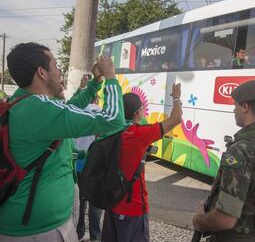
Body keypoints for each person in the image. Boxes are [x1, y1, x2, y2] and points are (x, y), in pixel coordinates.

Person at [0, 42, 125, 241]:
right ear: (42, 72)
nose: (60, 72)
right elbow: (113, 118)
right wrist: (110, 77)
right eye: (56, 65)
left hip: (25, 225)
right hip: (39, 232)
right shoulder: (40, 108)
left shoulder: (22, 102)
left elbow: (70, 109)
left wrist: (94, 83)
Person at [192, 80, 255, 242]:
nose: (234, 109)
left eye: (236, 105)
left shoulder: (241, 150)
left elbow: (225, 219)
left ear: (245, 107)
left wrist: (199, 220)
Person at [101, 83, 183, 242]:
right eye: (142, 109)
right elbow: (176, 118)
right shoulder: (138, 135)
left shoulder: (109, 130)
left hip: (111, 205)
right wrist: (177, 97)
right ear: (138, 113)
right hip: (133, 209)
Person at [75, 95, 103, 241]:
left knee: (80, 201)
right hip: (94, 166)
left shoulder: (75, 111)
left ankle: (78, 233)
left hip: (77, 165)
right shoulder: (100, 113)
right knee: (95, 203)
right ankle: (95, 236)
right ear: (96, 99)